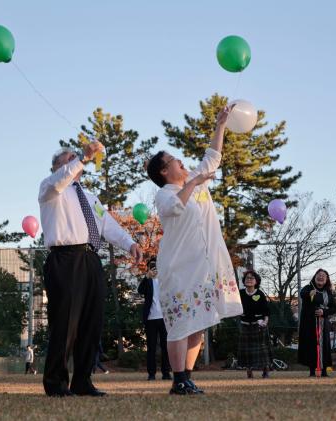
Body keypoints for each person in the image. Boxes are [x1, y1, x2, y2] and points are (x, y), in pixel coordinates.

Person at [146, 105, 243, 395]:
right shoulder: (164, 194)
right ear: (165, 171)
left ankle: (187, 377)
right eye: (175, 160)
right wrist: (196, 182)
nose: (181, 161)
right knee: (179, 325)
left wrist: (221, 124)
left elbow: (213, 156)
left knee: (199, 323)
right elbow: (177, 206)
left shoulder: (193, 181)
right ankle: (177, 380)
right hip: (178, 268)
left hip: (204, 267)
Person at [39, 141, 143, 397]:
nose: (75, 162)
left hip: (91, 259)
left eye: (76, 159)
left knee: (91, 323)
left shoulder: (89, 197)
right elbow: (61, 180)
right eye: (68, 159)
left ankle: (83, 381)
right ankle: (56, 383)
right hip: (65, 259)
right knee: (65, 323)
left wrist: (129, 244)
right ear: (56, 167)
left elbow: (107, 225)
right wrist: (83, 157)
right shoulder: (50, 188)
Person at [137, 258, 171, 381]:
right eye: (152, 267)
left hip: (164, 318)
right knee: (151, 348)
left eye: (156, 267)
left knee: (165, 347)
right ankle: (151, 374)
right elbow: (140, 291)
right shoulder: (148, 281)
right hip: (151, 319)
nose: (154, 269)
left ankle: (166, 373)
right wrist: (147, 277)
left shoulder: (164, 281)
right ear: (148, 269)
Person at [298, 269, 336, 377]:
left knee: (324, 346)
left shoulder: (328, 292)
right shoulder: (308, 288)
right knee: (311, 346)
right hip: (309, 324)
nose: (321, 277)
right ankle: (312, 372)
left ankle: (324, 372)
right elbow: (302, 294)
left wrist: (324, 311)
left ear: (326, 279)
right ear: (315, 277)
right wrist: (310, 293)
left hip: (323, 324)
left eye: (323, 275)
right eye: (319, 275)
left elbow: (334, 308)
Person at [237, 270, 271, 379]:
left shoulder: (260, 294)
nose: (249, 280)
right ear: (244, 281)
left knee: (262, 349)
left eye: (252, 278)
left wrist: (265, 322)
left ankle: (266, 370)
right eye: (247, 278)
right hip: (245, 325)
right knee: (247, 351)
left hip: (258, 325)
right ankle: (249, 371)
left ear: (256, 281)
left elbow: (266, 311)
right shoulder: (240, 293)